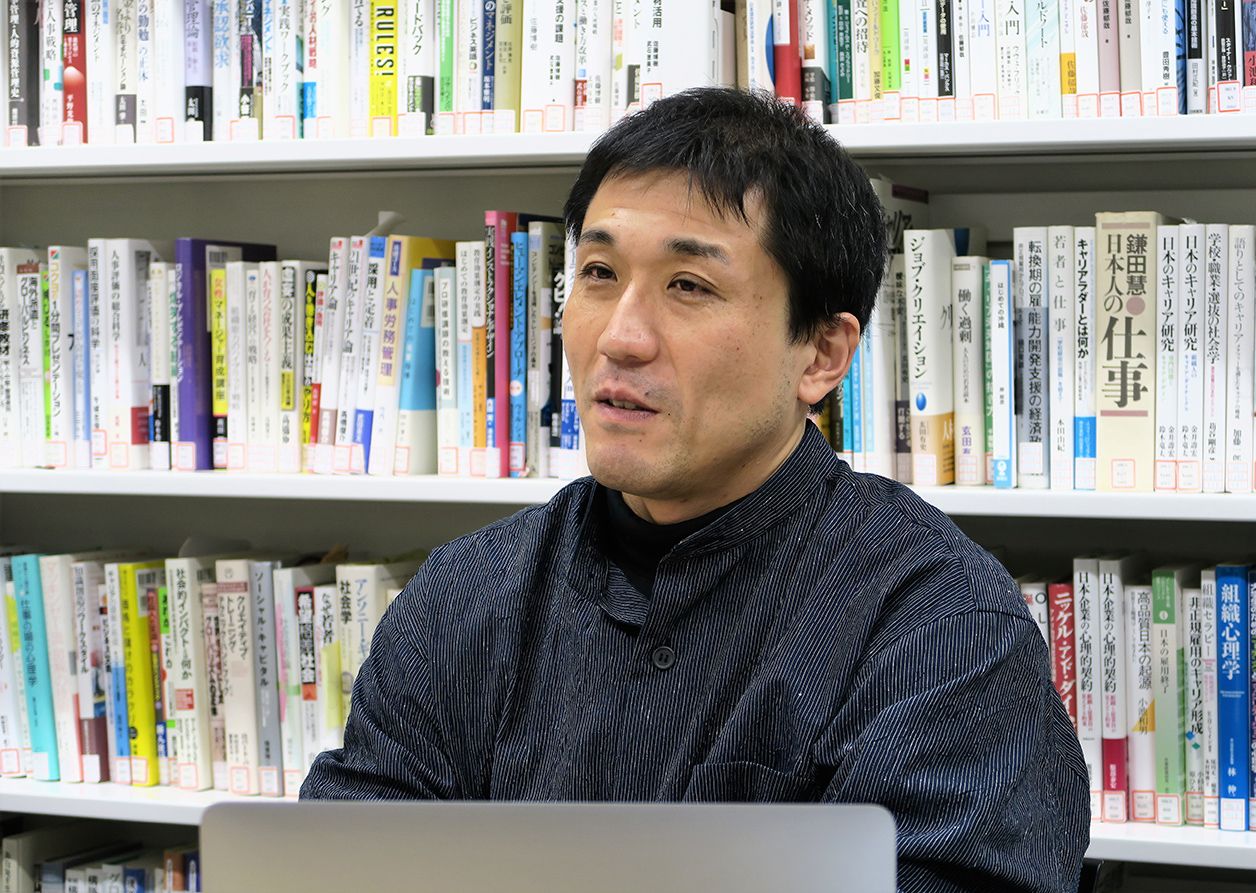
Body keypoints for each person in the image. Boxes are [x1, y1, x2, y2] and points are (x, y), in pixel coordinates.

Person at [301, 87, 1090, 892]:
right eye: (599, 272)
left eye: (688, 285)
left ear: (821, 353)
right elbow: (344, 863)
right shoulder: (464, 596)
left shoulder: (940, 627)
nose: (620, 336)